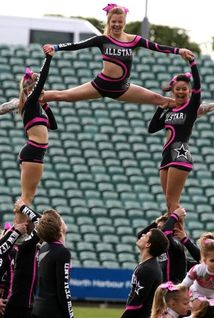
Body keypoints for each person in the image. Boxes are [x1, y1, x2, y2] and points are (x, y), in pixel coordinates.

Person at [41, 4, 195, 109]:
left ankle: (195, 108)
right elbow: (77, 45)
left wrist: (178, 51)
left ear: (124, 22)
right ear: (109, 21)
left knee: (159, 99)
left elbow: (157, 47)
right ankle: (26, 100)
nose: (116, 25)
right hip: (101, 85)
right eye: (113, 22)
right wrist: (55, 47)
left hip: (123, 88)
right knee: (64, 95)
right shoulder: (102, 40)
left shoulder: (133, 40)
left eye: (120, 22)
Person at [148, 55, 201, 215]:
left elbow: (198, 85)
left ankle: (180, 237)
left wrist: (192, 63)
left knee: (173, 204)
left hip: (180, 155)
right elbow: (152, 128)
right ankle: (175, 235)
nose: (180, 91)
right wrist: (160, 108)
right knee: (169, 205)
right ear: (172, 91)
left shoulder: (191, 107)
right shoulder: (171, 110)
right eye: (177, 89)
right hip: (166, 156)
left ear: (190, 91)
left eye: (184, 89)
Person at [14, 51, 57, 222]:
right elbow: (43, 78)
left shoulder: (36, 106)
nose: (43, 91)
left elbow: (53, 125)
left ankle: (19, 229)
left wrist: (45, 106)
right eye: (40, 89)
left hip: (36, 153)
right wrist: (49, 58)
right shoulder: (30, 103)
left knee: (28, 196)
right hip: (33, 152)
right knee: (27, 197)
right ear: (32, 89)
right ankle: (18, 231)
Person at [175, 228, 214, 318]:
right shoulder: (202, 267)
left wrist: (185, 240)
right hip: (201, 296)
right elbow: (197, 267)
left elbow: (203, 261)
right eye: (213, 260)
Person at [31, 209, 74, 318]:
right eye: (60, 219)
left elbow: (42, 223)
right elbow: (64, 289)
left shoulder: (44, 247)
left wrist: (23, 207)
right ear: (60, 228)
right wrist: (70, 315)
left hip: (39, 307)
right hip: (53, 310)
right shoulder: (62, 252)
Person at [4, 198, 42, 318]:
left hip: (25, 305)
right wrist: (23, 207)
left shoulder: (34, 247)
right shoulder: (25, 246)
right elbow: (40, 222)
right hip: (16, 307)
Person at [120, 227, 169, 318]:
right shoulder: (147, 265)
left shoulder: (148, 269)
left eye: (146, 235)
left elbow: (137, 302)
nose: (142, 235)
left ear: (148, 244)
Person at [137, 207, 187, 284]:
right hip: (163, 289)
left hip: (175, 290)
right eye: (157, 228)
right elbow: (140, 236)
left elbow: (165, 232)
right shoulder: (160, 246)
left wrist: (175, 215)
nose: (158, 231)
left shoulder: (176, 244)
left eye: (160, 228)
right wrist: (157, 222)